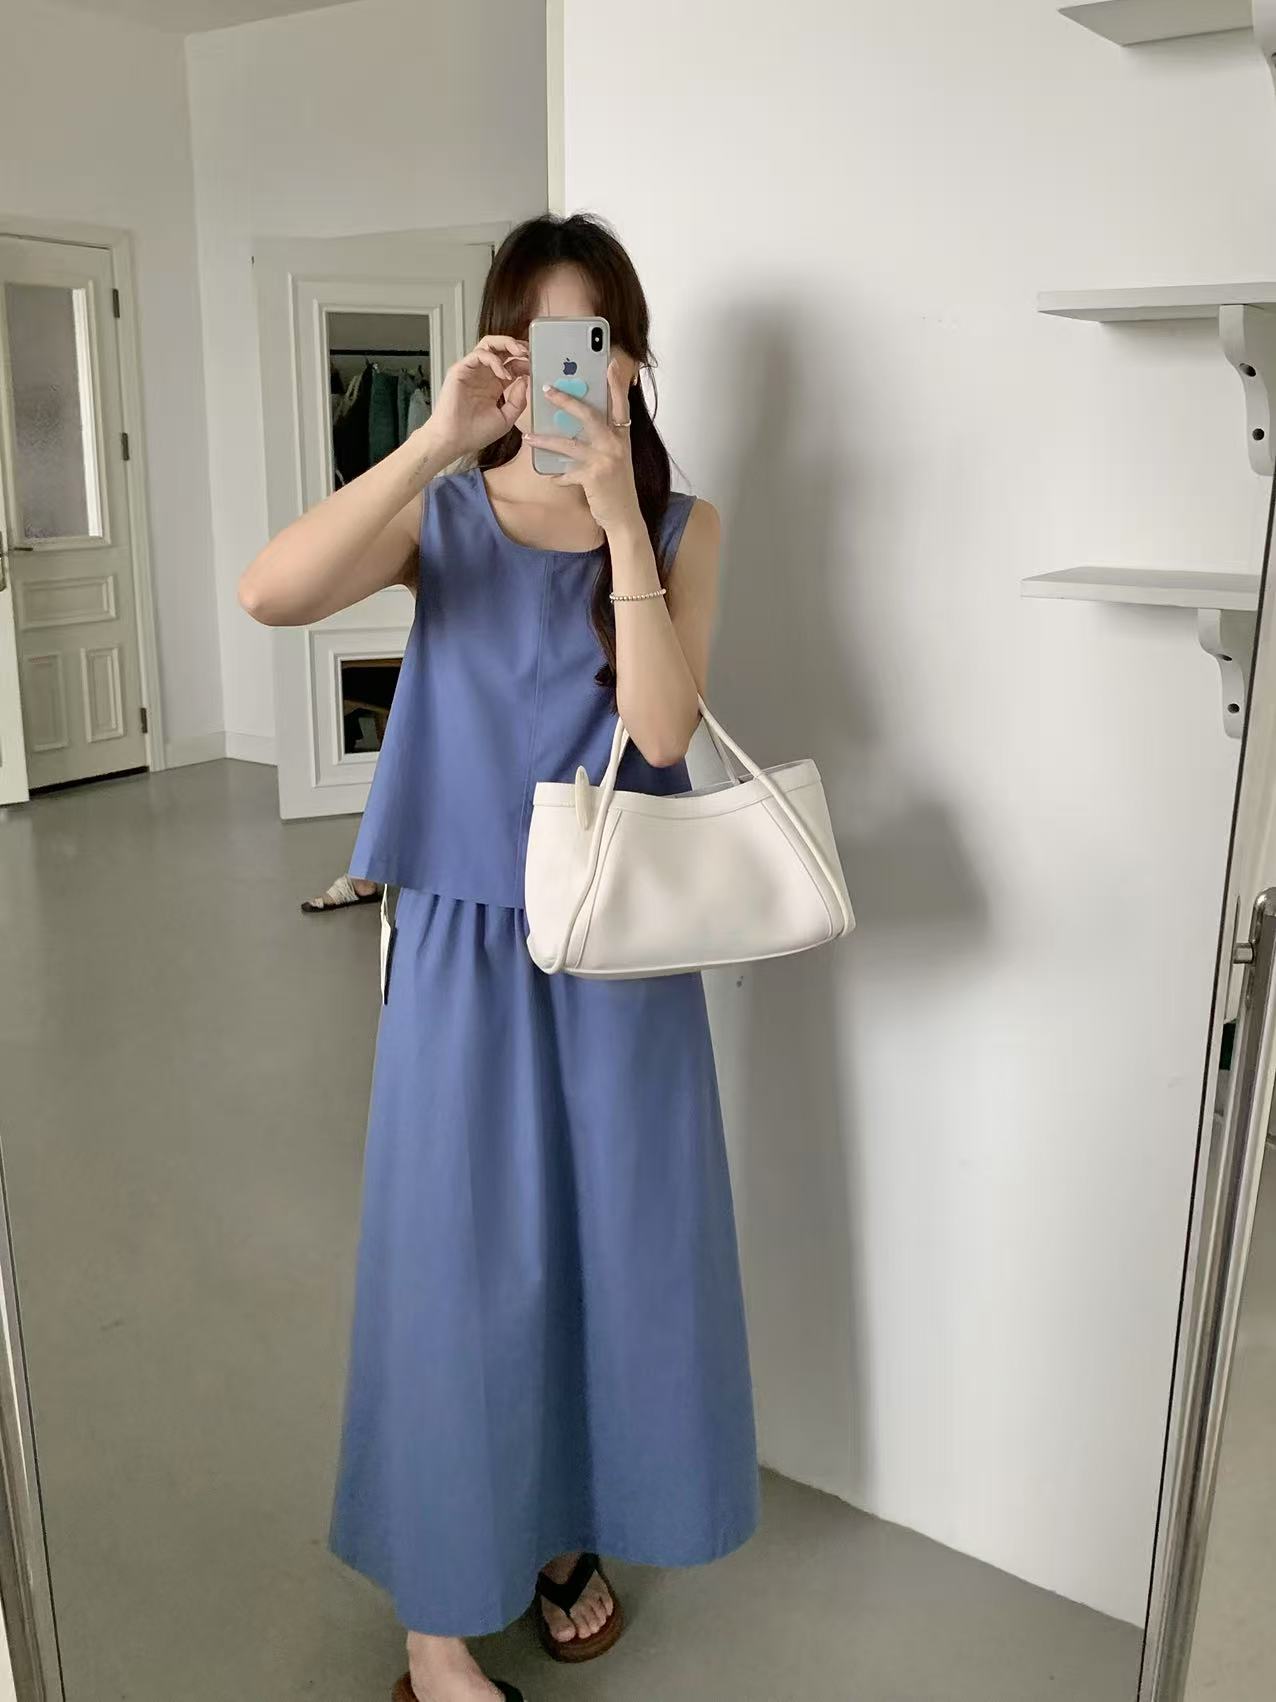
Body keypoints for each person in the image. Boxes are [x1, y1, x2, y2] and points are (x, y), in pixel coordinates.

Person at [238, 212, 760, 1702]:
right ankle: (434, 1622)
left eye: (590, 340)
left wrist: (616, 520)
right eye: (532, 343)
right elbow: (270, 592)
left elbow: (659, 729)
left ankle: (557, 1528)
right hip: (466, 939)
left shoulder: (682, 527)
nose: (561, 370)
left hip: (618, 945)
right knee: (458, 1264)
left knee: (611, 1251)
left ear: (630, 362)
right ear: (500, 357)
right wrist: (432, 442)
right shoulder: (447, 515)